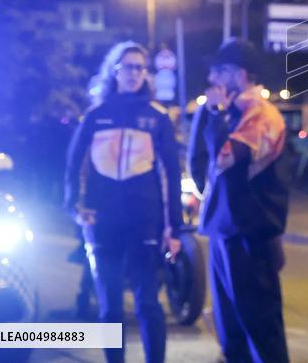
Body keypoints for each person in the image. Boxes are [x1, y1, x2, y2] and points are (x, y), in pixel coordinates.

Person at [64, 41, 182, 363]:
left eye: (140, 68)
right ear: (114, 71)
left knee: (147, 304)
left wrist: (174, 226)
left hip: (144, 219)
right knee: (110, 307)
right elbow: (73, 164)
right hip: (102, 221)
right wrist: (74, 205)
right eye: (127, 67)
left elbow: (172, 172)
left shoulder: (157, 117)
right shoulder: (96, 115)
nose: (134, 74)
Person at [188, 38, 290, 363]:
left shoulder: (260, 113)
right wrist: (209, 114)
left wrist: (214, 116)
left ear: (241, 74)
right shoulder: (230, 112)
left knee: (259, 327)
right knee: (231, 330)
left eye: (221, 70)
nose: (213, 77)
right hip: (226, 229)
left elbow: (224, 159)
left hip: (249, 232)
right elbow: (199, 165)